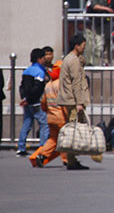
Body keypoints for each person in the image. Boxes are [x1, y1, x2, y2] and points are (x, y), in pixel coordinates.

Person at [57, 34, 91, 170]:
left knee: (73, 129)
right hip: (73, 100)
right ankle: (71, 160)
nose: (84, 48)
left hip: (69, 99)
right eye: (83, 45)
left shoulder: (70, 59)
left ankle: (71, 159)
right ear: (77, 46)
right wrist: (79, 102)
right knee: (73, 130)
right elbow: (76, 83)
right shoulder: (73, 60)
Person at [29, 60, 67, 167]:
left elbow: (43, 103)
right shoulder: (61, 84)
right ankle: (66, 159)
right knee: (65, 138)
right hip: (61, 117)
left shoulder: (49, 85)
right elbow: (64, 102)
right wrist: (68, 115)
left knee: (53, 139)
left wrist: (47, 111)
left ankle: (41, 155)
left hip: (50, 117)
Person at [17, 48, 50, 157]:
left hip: (28, 102)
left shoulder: (27, 71)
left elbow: (22, 87)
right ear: (39, 59)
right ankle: (43, 149)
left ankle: (21, 148)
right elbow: (37, 88)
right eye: (43, 58)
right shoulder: (39, 72)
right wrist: (30, 99)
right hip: (36, 103)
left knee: (27, 123)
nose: (45, 60)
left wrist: (24, 98)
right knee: (44, 124)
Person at [87, 0, 114, 64]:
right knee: (98, 42)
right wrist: (107, 9)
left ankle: (107, 61)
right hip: (97, 21)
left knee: (107, 40)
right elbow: (94, 6)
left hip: (107, 21)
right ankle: (96, 62)